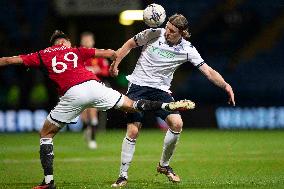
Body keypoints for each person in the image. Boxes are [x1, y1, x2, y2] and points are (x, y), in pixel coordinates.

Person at [0, 30, 195, 189]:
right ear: (65, 43)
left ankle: (48, 182)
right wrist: (114, 66)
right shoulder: (76, 51)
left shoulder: (42, 55)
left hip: (72, 94)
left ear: (53, 44)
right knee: (131, 105)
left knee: (46, 134)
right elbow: (110, 53)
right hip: (95, 87)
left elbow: (9, 61)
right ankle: (164, 106)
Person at [109, 14, 235, 187]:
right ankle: (123, 175)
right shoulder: (153, 33)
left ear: (182, 33)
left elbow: (209, 71)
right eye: (167, 27)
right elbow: (130, 43)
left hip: (161, 90)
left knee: (177, 124)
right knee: (133, 131)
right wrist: (116, 63)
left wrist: (226, 85)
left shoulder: (188, 49)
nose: (166, 32)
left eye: (171, 30)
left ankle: (164, 165)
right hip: (138, 86)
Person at [80, 31, 110, 149]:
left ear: (93, 41)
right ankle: (88, 129)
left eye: (89, 40)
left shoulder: (98, 54)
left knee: (92, 111)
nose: (87, 42)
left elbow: (106, 71)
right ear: (82, 41)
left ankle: (92, 138)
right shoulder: (76, 55)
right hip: (81, 87)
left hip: (95, 86)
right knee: (84, 116)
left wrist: (97, 70)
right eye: (85, 40)